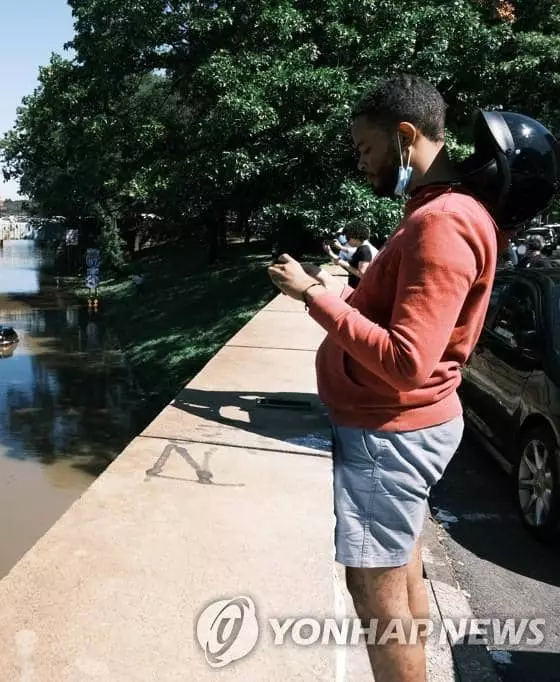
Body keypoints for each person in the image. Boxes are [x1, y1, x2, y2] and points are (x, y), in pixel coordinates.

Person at [268, 74, 500, 682]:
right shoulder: (436, 212)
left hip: (390, 432)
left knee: (376, 593)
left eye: (365, 149)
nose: (361, 164)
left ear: (406, 136)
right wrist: (349, 293)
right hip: (396, 428)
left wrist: (316, 295)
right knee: (400, 570)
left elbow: (405, 361)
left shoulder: (441, 224)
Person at [324, 221, 379, 287]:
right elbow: (354, 252)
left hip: (360, 289)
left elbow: (362, 275)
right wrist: (333, 251)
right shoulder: (363, 247)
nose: (346, 240)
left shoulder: (364, 250)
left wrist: (342, 263)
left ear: (354, 238)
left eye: (347, 237)